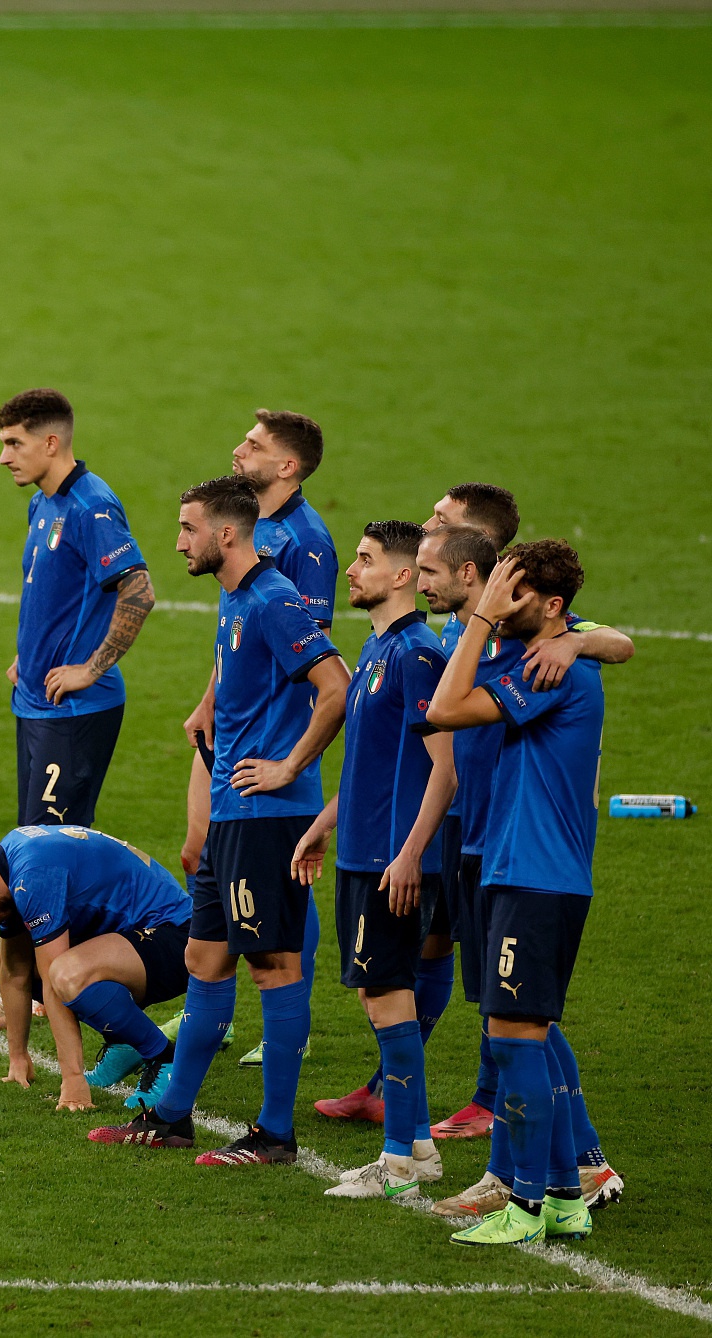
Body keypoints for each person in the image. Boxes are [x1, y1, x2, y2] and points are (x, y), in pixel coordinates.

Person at [90, 475, 346, 1164]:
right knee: (205, 961)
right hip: (233, 817)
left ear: (226, 533)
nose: (178, 543)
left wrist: (288, 768)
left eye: (187, 529)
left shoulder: (274, 599)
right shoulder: (236, 598)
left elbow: (336, 687)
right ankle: (174, 1117)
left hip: (269, 817)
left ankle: (276, 1133)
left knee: (274, 967)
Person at [415, 524, 629, 1218]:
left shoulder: (547, 668)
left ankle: (533, 1198)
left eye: (519, 590)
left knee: (515, 1034)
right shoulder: (528, 650)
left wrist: (487, 617)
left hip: (534, 872)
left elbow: (444, 711)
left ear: (554, 603)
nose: (505, 600)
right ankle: (565, 1185)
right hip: (503, 860)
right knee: (519, 1028)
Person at [0, 387, 155, 1041]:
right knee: (30, 848)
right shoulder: (44, 502)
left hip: (77, 709)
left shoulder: (93, 504)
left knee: (40, 864)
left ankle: (42, 993)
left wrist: (90, 667)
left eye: (13, 443)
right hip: (37, 703)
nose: (3, 456)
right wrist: (27, 654)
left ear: (51, 442)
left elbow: (139, 589)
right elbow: (57, 594)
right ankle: (49, 988)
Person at [289, 521, 454, 1200]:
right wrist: (322, 824)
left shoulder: (417, 655)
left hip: (392, 859)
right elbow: (367, 761)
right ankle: (413, 1145)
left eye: (363, 561)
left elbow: (446, 768)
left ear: (402, 576)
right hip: (364, 849)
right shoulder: (380, 646)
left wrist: (412, 853)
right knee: (378, 993)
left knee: (387, 996)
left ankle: (401, 1160)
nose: (349, 571)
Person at [180, 411, 339, 1072]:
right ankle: (209, 1020)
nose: (239, 447)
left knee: (276, 912)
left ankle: (282, 1021)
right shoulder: (241, 552)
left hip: (268, 755)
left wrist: (287, 761)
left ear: (287, 467)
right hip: (234, 730)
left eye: (255, 444)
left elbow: (314, 661)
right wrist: (211, 699)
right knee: (196, 857)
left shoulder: (303, 543)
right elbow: (240, 635)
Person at [0, 826, 191, 1111]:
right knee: (8, 955)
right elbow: (14, 973)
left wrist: (72, 1079)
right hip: (136, 936)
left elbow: (53, 981)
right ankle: (123, 1043)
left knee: (66, 973)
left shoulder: (34, 874)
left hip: (176, 937)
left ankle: (163, 1057)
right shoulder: (11, 864)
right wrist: (17, 1056)